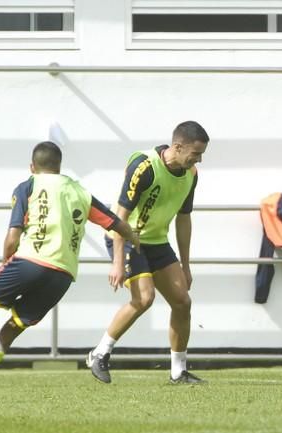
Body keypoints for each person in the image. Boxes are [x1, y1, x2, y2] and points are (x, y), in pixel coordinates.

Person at [0, 141, 139, 378]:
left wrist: (6, 261)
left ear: (32, 166)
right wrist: (135, 239)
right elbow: (116, 224)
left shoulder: (28, 186)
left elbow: (13, 235)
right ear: (59, 166)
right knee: (16, 323)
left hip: (31, 260)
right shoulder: (81, 193)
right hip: (63, 275)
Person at [86, 120, 209, 385]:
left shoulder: (192, 175)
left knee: (182, 302)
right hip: (127, 236)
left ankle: (178, 372)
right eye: (196, 153)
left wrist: (186, 265)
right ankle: (99, 353)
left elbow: (184, 219)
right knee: (144, 298)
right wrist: (118, 261)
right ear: (177, 147)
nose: (198, 159)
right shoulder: (144, 167)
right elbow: (120, 216)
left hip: (157, 242)